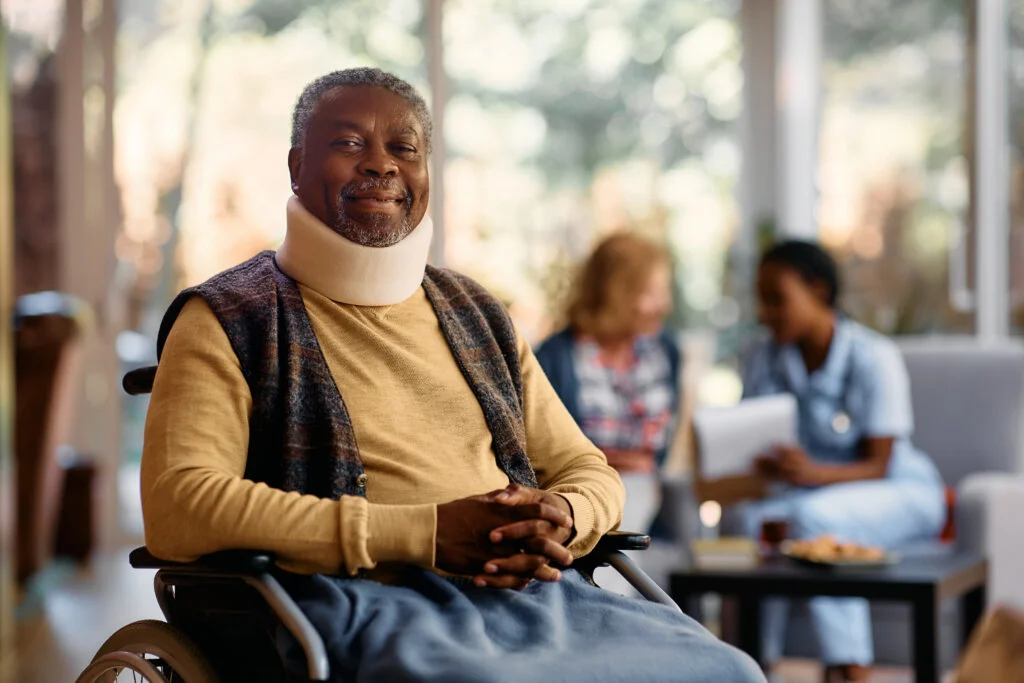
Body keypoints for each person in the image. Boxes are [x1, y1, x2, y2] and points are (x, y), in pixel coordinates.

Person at [140, 67, 762, 683]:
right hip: (352, 602)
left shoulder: (478, 313)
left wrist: (563, 516)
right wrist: (427, 533)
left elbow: (588, 468)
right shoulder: (229, 316)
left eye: (404, 148)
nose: (382, 165)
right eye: (349, 143)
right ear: (296, 165)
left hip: (531, 596)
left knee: (729, 671)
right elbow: (181, 506)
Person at [741, 240, 946, 683]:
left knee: (816, 516)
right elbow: (751, 432)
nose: (766, 312)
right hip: (810, 493)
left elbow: (880, 463)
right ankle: (753, 666)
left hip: (900, 492)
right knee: (750, 521)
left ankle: (849, 669)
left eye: (777, 299)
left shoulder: (874, 356)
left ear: (818, 291)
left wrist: (812, 473)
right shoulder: (764, 356)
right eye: (761, 300)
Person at [535, 234, 680, 538]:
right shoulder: (556, 358)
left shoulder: (663, 350)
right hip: (584, 495)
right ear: (617, 293)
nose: (663, 305)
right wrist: (614, 462)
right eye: (651, 293)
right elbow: (545, 451)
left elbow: (663, 448)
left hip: (650, 494)